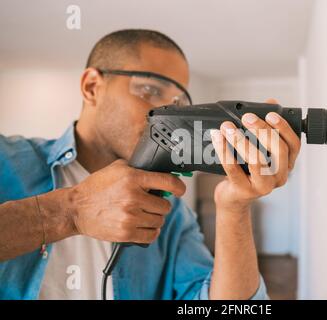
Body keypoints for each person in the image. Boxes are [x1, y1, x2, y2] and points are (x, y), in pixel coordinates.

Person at [0, 29, 301, 300]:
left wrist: (234, 208)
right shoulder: (7, 160)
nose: (168, 114)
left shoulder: (170, 213)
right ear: (92, 86)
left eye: (178, 102)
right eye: (151, 91)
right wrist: (71, 211)